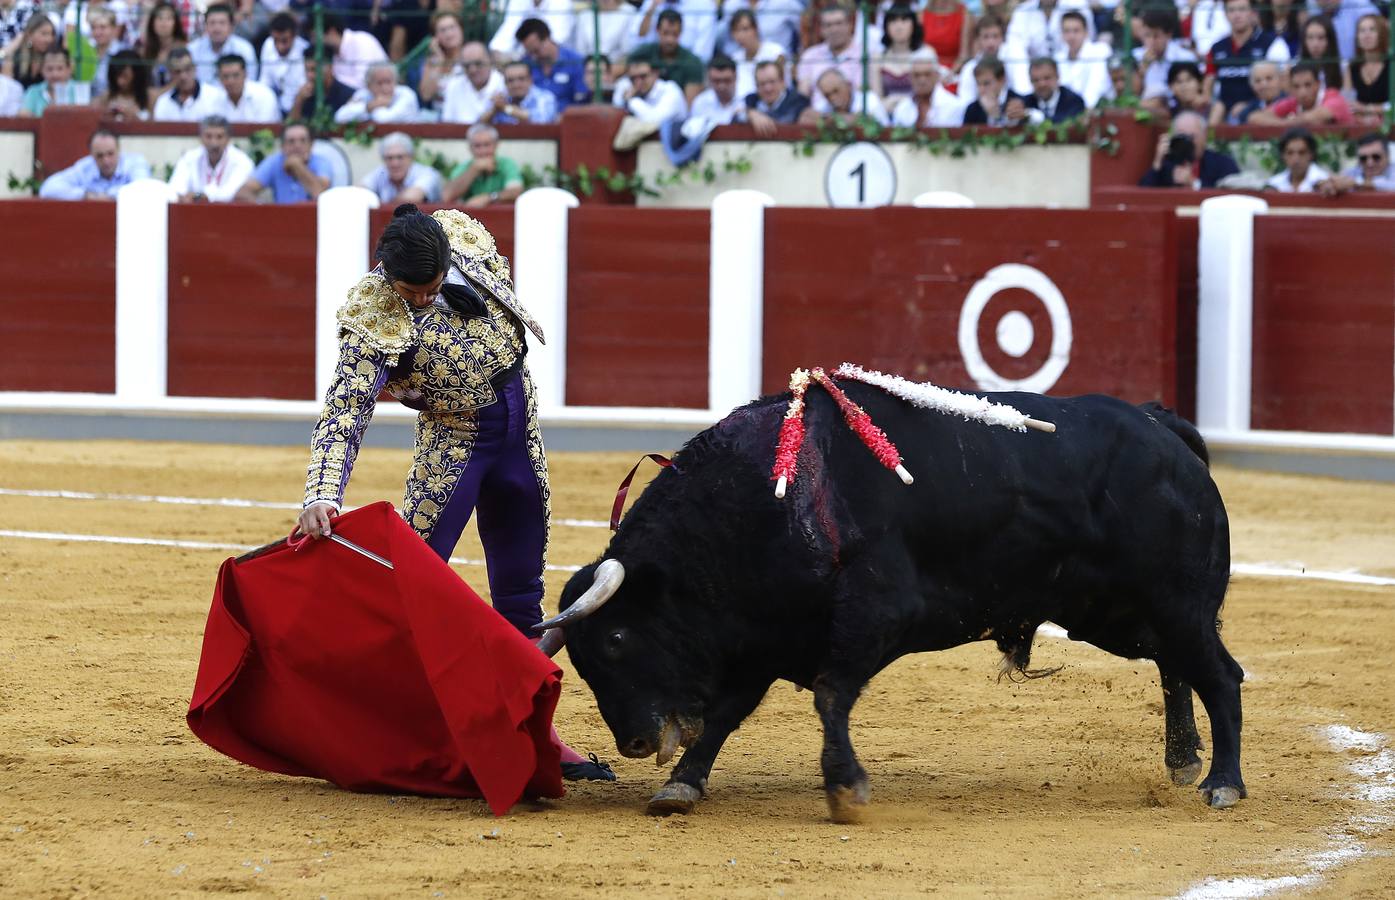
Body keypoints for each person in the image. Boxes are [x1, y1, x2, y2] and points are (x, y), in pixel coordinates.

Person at [297, 204, 614, 784]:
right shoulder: (373, 310)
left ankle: (535, 736)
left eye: (431, 287)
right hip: (454, 444)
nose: (419, 300)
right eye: (408, 291)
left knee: (522, 594)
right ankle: (401, 733)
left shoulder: (464, 236)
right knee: (407, 591)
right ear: (385, 271)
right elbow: (345, 409)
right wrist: (322, 490)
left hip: (521, 432)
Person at [1201, 0, 1289, 115]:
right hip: (1223, 113)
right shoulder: (1216, 48)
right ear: (1225, 14)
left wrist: (1251, 106)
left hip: (1261, 111)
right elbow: (1208, 84)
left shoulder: (1273, 44)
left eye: (1242, 9)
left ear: (1252, 13)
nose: (1237, 15)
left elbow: (1284, 84)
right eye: (1231, 10)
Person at [1138, 109, 1239, 188]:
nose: (1187, 142)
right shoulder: (1167, 165)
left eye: (1191, 137)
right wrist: (1157, 162)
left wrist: (1194, 183)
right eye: (1182, 136)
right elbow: (1143, 195)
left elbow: (1229, 196)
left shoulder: (1222, 163)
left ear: (1204, 136)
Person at [39, 129, 151, 199]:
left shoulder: (135, 163)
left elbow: (142, 190)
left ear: (119, 150)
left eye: (110, 154)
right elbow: (48, 188)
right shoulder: (85, 167)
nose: (106, 161)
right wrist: (85, 195)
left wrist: (108, 196)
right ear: (91, 155)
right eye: (100, 156)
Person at [235, 121, 331, 203]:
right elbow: (242, 193)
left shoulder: (321, 163)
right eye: (291, 141)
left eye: (303, 141)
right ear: (282, 146)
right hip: (282, 220)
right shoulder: (274, 162)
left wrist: (297, 166)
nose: (297, 146)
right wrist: (266, 210)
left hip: (314, 220)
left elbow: (322, 196)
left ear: (311, 145)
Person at [168, 114, 255, 201]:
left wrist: (199, 196)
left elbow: (231, 193)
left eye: (219, 137)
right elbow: (176, 189)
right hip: (194, 212)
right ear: (201, 138)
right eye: (208, 136)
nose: (214, 143)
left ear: (228, 139)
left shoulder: (242, 161)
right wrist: (190, 196)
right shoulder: (189, 159)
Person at [626, 9, 704, 104]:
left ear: (681, 33)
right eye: (666, 33)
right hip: (644, 104)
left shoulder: (692, 62)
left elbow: (690, 104)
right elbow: (627, 69)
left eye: (674, 34)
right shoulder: (643, 53)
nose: (670, 40)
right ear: (657, 30)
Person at [441, 123, 524, 207]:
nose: (483, 151)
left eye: (487, 145)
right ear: (470, 148)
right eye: (477, 146)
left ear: (496, 145)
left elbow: (516, 191)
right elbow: (446, 196)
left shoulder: (507, 164)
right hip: (469, 217)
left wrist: (489, 197)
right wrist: (474, 169)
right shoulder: (464, 167)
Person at [1250, 60, 1353, 126]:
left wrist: (1287, 123)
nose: (1302, 92)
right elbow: (1254, 118)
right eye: (1296, 86)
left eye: (1308, 85)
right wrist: (1286, 123)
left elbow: (1318, 115)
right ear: (1291, 88)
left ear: (1318, 84)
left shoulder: (1333, 97)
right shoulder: (1292, 102)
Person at [516, 18, 589, 110]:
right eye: (530, 52)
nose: (533, 56)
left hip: (567, 118)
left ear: (547, 39)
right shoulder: (525, 63)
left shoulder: (575, 61)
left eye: (536, 50)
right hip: (533, 119)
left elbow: (581, 98)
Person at [796, 5, 863, 100]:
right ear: (821, 29)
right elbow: (803, 95)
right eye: (828, 25)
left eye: (839, 23)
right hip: (817, 113)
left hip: (853, 112)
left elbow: (861, 93)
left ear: (850, 25)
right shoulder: (810, 55)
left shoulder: (863, 54)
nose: (834, 30)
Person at [1132, 8, 1193, 107]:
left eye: (1156, 36)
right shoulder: (1135, 56)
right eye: (1147, 35)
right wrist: (1142, 70)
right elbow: (1132, 94)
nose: (1151, 41)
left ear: (1168, 35)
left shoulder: (1184, 57)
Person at [361, 131, 442, 204]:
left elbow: (412, 198)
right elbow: (359, 190)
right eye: (389, 158)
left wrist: (380, 205)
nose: (395, 163)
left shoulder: (427, 173)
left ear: (411, 157)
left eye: (400, 157)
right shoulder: (381, 172)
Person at [891, 46, 964, 127]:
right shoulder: (902, 109)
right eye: (917, 75)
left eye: (927, 74)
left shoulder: (954, 106)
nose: (922, 80)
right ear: (910, 77)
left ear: (937, 75)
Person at [315, 12, 388, 91]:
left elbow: (362, 83)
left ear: (332, 32)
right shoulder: (333, 52)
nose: (314, 42)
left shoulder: (361, 41)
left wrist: (332, 80)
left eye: (315, 37)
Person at [725, 8, 786, 102]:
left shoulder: (775, 52)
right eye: (736, 30)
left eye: (745, 29)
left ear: (756, 29)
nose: (740, 35)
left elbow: (783, 87)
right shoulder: (734, 59)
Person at [1053, 9, 1109, 108]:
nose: (1071, 36)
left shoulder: (1100, 51)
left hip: (1094, 111)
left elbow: (1096, 88)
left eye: (1076, 31)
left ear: (1086, 32)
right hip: (1066, 114)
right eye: (1066, 31)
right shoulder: (1058, 58)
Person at [152, 47, 227, 120]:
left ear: (195, 68)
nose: (183, 76)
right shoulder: (163, 102)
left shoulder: (215, 96)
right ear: (170, 73)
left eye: (187, 69)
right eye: (177, 71)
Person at [631, 0, 718, 63]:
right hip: (652, 65)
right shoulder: (652, 3)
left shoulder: (704, 4)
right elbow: (635, 43)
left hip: (686, 66)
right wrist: (652, 7)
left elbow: (703, 55)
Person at [189, 4, 257, 82]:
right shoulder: (193, 49)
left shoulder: (245, 49)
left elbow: (250, 81)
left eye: (222, 23)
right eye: (212, 23)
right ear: (205, 26)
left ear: (231, 26)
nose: (217, 28)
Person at [440, 40, 504, 124]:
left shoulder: (504, 83)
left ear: (490, 60)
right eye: (467, 66)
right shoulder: (454, 85)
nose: (472, 70)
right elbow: (447, 123)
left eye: (478, 63)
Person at [336, 60, 420, 123]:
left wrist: (375, 105)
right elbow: (340, 117)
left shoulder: (406, 94)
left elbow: (384, 120)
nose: (384, 87)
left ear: (395, 82)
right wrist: (367, 107)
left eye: (388, 82)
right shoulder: (363, 94)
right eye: (379, 83)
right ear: (369, 86)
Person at [488, 0, 574, 61]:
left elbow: (552, 42)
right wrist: (499, 53)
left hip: (560, 62)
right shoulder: (518, 2)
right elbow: (507, 31)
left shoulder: (562, 2)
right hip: (525, 60)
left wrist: (515, 58)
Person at [803, 67, 890, 125]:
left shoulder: (869, 100)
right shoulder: (823, 105)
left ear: (849, 86)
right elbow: (806, 117)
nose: (832, 97)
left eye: (836, 91)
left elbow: (876, 124)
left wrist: (831, 120)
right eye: (827, 95)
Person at [259, 11, 306, 116]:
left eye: (284, 41)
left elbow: (302, 90)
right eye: (276, 40)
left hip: (299, 108)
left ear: (294, 36)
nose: (280, 46)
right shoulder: (268, 44)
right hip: (274, 105)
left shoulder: (304, 51)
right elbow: (265, 82)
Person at [1344, 14, 1389, 126]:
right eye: (1362, 30)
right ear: (1357, 38)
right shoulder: (1351, 68)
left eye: (1372, 29)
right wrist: (1362, 119)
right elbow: (1348, 103)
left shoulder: (1391, 65)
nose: (1366, 35)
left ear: (1382, 34)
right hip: (1360, 124)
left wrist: (1366, 109)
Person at [418, 10, 468, 110]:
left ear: (461, 29)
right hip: (439, 117)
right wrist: (439, 59)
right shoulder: (432, 62)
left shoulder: (471, 56)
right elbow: (426, 95)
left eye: (452, 27)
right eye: (442, 30)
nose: (449, 34)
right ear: (435, 37)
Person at [743, 58, 809, 134]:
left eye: (772, 82)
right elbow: (736, 116)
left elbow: (785, 122)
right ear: (756, 86)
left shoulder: (798, 101)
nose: (768, 88)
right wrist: (751, 114)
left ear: (782, 82)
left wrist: (756, 115)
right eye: (762, 84)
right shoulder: (751, 101)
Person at [19, 48, 92, 116]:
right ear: (42, 70)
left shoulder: (79, 91)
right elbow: (24, 116)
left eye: (60, 68)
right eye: (50, 69)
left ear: (69, 69)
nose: (55, 74)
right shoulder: (33, 91)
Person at [1318, 133, 1395, 195]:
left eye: (1376, 157)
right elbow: (1337, 182)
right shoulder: (1352, 172)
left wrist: (1357, 183)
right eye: (1363, 158)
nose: (1369, 163)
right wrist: (1330, 184)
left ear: (1387, 157)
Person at [961, 54, 1028, 126]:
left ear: (1002, 80)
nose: (981, 89)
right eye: (978, 84)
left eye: (986, 83)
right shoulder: (972, 109)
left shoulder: (1021, 102)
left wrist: (995, 117)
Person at [287, 54, 356, 121]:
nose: (309, 76)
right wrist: (299, 101)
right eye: (307, 70)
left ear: (330, 68)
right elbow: (291, 125)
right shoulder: (305, 96)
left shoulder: (348, 95)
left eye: (314, 70)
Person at [486, 60, 557, 124]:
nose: (516, 85)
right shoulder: (501, 99)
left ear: (530, 80)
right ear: (505, 83)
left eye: (521, 79)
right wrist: (494, 110)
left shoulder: (545, 97)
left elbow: (542, 121)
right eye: (510, 80)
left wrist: (506, 108)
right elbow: (480, 126)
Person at [214, 53, 280, 121]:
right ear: (219, 77)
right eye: (225, 76)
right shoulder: (214, 98)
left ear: (245, 74)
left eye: (236, 75)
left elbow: (266, 129)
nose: (231, 81)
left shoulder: (264, 95)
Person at [139, 1, 187, 93]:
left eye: (169, 19)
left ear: (175, 22)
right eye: (159, 18)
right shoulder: (144, 51)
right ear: (152, 23)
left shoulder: (184, 48)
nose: (164, 23)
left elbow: (182, 79)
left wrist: (159, 94)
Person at [956, 13, 1004, 106]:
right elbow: (966, 103)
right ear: (978, 39)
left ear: (1002, 38)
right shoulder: (969, 68)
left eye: (995, 36)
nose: (991, 43)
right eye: (986, 37)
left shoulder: (1011, 64)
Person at [878, 6, 923, 103]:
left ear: (914, 25)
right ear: (886, 26)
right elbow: (876, 101)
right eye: (893, 21)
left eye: (904, 20)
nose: (899, 27)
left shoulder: (925, 54)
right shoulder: (877, 58)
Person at [1308, 0, 1378, 62]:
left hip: (1357, 69)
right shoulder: (1311, 8)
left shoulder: (1362, 7)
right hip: (1326, 70)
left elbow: (1381, 36)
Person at [1265, 127, 1329, 193]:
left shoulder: (1326, 182)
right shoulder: (1273, 184)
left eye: (1302, 153)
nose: (1296, 159)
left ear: (1311, 154)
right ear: (1283, 155)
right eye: (1290, 153)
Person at [95, 49, 150, 120]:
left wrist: (134, 117)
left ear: (137, 74)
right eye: (116, 76)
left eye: (125, 76)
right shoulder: (106, 97)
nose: (119, 82)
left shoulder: (150, 97)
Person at [689, 56, 745, 124]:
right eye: (716, 81)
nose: (722, 86)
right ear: (709, 80)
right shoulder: (700, 103)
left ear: (735, 77)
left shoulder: (747, 100)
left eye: (727, 80)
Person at [8, 13, 58, 89]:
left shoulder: (54, 59)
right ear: (29, 34)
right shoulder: (16, 58)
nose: (49, 39)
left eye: (51, 34)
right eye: (44, 34)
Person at [1166, 60, 1223, 127]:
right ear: (1171, 87)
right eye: (1179, 81)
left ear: (1200, 83)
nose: (1184, 86)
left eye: (1189, 80)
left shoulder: (1214, 108)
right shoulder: (1167, 108)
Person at [1298, 15, 1343, 92]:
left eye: (1321, 38)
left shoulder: (1343, 68)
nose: (1315, 44)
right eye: (1310, 37)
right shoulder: (1295, 67)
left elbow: (1347, 100)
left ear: (1330, 41)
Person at [921, 0, 970, 68]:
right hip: (927, 70)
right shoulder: (921, 14)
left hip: (954, 70)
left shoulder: (964, 14)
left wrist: (949, 75)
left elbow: (964, 55)